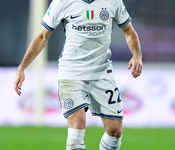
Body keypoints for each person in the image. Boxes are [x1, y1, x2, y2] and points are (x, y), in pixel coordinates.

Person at [14, 0, 142, 149]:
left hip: (102, 72)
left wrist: (137, 55)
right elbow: (42, 37)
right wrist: (22, 67)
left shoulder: (113, 1)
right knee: (77, 124)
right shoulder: (62, 2)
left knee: (115, 131)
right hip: (71, 72)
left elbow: (129, 31)